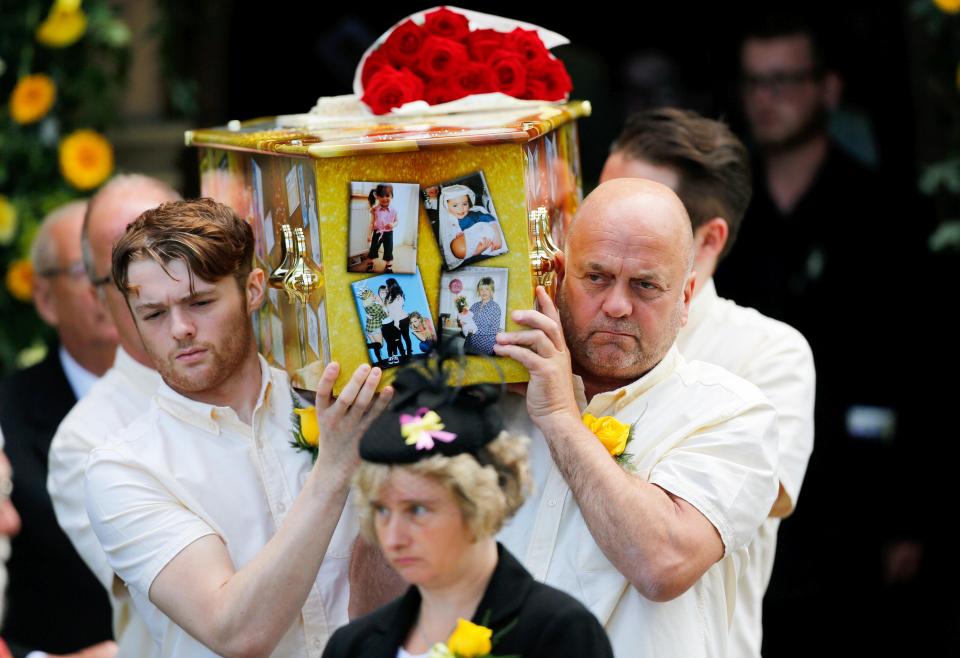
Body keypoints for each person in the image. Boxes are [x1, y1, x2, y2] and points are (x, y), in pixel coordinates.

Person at [84, 198, 391, 657]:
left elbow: (412, 599)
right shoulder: (124, 467)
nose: (181, 328)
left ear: (252, 290)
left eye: (200, 302)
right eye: (153, 314)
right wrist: (334, 469)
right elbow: (236, 632)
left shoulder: (333, 403)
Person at [492, 178, 779, 658]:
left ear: (686, 297)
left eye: (645, 285)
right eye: (597, 277)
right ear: (558, 275)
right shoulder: (489, 400)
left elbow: (661, 564)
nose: (617, 306)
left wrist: (562, 418)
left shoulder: (731, 412)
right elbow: (384, 608)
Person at [718, 16, 908, 652]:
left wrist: (910, 517)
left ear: (827, 89)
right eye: (754, 83)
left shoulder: (881, 209)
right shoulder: (728, 215)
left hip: (854, 488)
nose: (766, 99)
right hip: (749, 482)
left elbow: (920, 364)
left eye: (784, 81)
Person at [600, 107, 816, 657]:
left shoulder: (770, 354)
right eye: (598, 199)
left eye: (643, 210)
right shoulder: (564, 329)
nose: (607, 222)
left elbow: (725, 508)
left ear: (709, 242)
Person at [323, 363, 614, 658]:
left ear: (480, 502)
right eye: (382, 511)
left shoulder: (560, 632)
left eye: (418, 510)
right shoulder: (352, 646)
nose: (394, 538)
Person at [47, 174, 180, 658]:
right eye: (127, 272)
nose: (161, 284)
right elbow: (185, 602)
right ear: (100, 296)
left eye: (178, 253)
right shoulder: (85, 441)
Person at [0, 201, 119, 658]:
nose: (116, 286)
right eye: (89, 270)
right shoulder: (7, 419)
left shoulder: (199, 392)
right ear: (46, 300)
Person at [438, 185, 505, 268]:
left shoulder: (472, 215)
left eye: (464, 204)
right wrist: (476, 252)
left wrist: (497, 236)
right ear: (446, 206)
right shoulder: (448, 224)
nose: (461, 209)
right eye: (455, 205)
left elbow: (488, 218)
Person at [463, 277, 500, 356]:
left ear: (492, 291)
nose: (484, 292)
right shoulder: (474, 306)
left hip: (485, 345)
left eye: (487, 289)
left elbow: (494, 329)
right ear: (478, 291)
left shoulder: (495, 307)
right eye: (481, 289)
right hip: (470, 342)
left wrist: (474, 330)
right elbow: (468, 321)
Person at [367, 184, 396, 273]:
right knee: (373, 249)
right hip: (377, 232)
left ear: (391, 196)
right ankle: (370, 263)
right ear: (377, 197)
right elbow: (372, 223)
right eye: (381, 196)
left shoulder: (394, 210)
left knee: (388, 250)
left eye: (387, 196)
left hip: (388, 233)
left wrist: (393, 224)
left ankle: (388, 266)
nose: (384, 198)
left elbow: (397, 221)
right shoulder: (374, 210)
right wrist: (369, 234)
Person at [385, 278, 412, 360]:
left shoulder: (398, 296)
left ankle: (409, 353)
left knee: (406, 337)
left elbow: (398, 310)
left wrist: (396, 322)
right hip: (395, 320)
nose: (386, 287)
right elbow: (390, 310)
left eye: (387, 285)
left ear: (391, 285)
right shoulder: (389, 295)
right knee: (397, 339)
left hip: (402, 319)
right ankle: (403, 354)